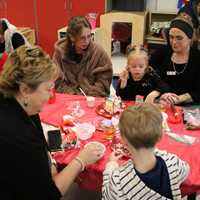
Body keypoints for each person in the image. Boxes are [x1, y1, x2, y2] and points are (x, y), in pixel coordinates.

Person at [0, 45, 103, 200]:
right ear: (25, 90)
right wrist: (80, 161)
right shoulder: (19, 139)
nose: (50, 95)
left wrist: (51, 161)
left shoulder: (19, 104)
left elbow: (40, 140)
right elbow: (48, 195)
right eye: (48, 89)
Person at [102, 103, 190, 199]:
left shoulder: (118, 179)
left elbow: (107, 196)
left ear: (123, 141)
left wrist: (111, 166)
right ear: (161, 136)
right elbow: (186, 171)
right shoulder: (172, 161)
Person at [52, 15, 113, 97]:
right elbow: (56, 81)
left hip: (92, 98)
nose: (87, 41)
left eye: (89, 36)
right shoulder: (60, 53)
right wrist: (73, 97)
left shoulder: (98, 52)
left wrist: (91, 97)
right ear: (71, 37)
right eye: (82, 38)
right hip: (68, 98)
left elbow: (104, 81)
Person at [149, 13, 200, 106]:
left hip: (188, 107)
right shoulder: (162, 52)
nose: (174, 42)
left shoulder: (197, 57)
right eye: (171, 37)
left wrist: (175, 100)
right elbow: (146, 73)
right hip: (162, 101)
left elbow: (198, 92)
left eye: (179, 38)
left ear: (189, 37)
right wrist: (158, 94)